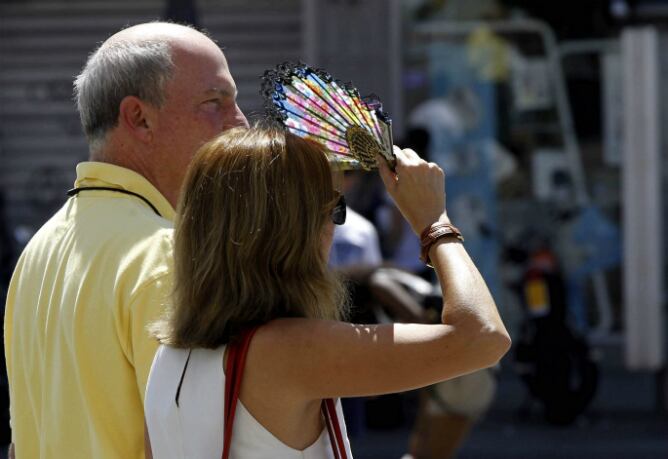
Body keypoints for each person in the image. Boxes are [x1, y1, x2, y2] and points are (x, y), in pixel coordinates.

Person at [144, 127, 511, 458]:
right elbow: (484, 338)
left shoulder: (168, 356)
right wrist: (435, 224)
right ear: (292, 232)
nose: (334, 228)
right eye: (334, 210)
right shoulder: (289, 350)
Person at [3, 22, 248, 459]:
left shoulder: (40, 248)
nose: (240, 122)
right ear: (139, 117)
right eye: (215, 102)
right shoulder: (165, 253)